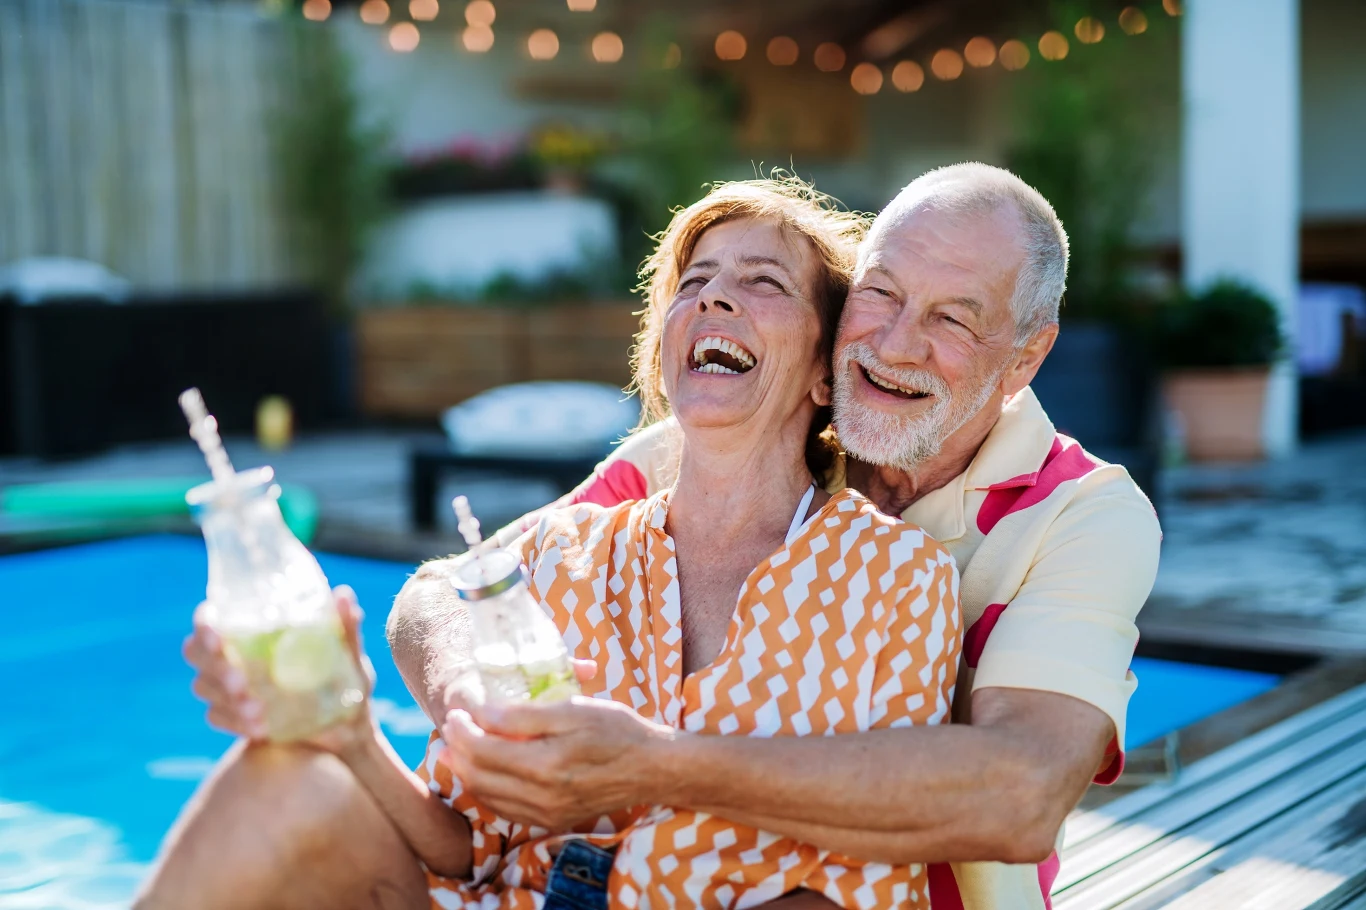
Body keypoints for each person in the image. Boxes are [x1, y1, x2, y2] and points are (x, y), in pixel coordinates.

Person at [136, 178, 962, 910]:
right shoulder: (561, 554)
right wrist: (351, 733)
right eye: (696, 282)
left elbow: (859, 884)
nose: (714, 298)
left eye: (763, 282)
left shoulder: (892, 578)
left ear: (825, 371)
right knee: (284, 776)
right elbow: (466, 847)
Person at [388, 162, 1163, 910]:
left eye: (952, 319)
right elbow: (447, 587)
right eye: (880, 294)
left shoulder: (1084, 513)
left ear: (1026, 355)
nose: (894, 345)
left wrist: (652, 764)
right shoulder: (709, 448)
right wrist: (468, 690)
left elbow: (1021, 793)